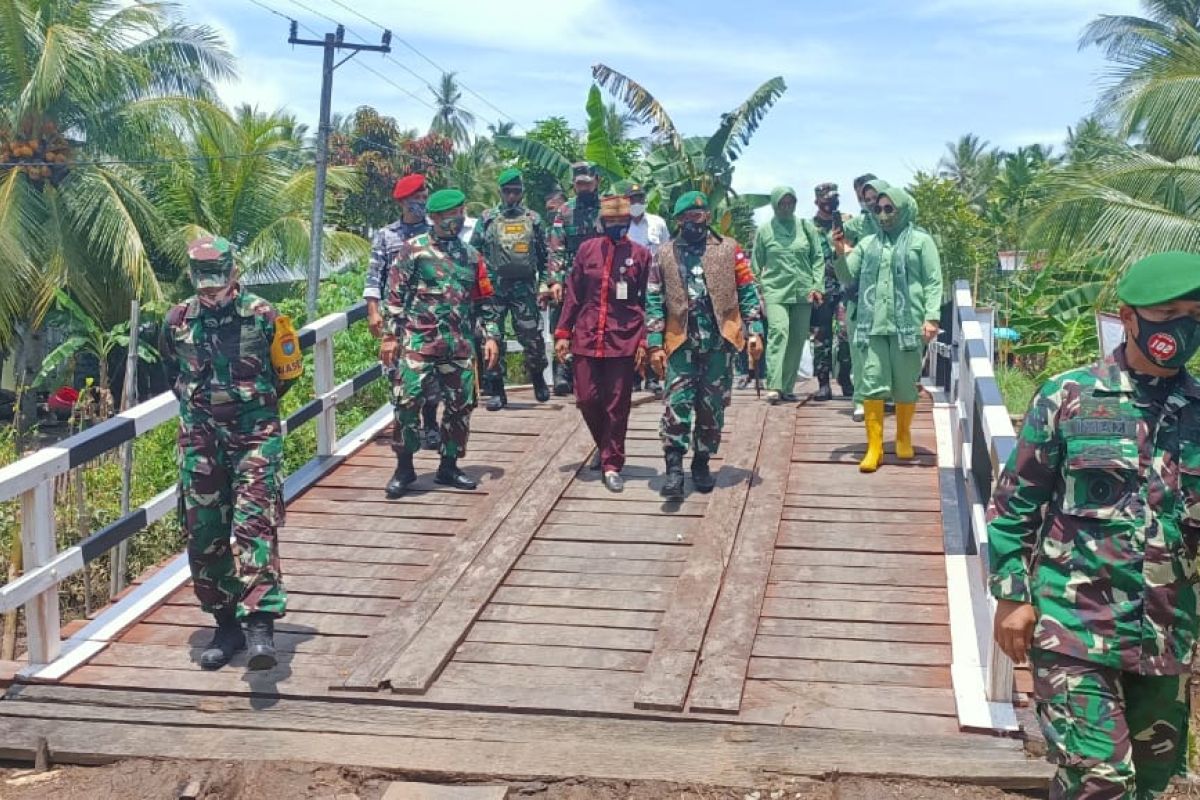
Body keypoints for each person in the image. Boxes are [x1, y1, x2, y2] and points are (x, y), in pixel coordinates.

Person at [987, 252, 1200, 800]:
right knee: (1100, 782)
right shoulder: (1069, 397)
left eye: (1194, 314)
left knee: (1150, 785)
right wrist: (1012, 595)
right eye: (1168, 311)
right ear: (1128, 318)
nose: (1182, 327)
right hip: (1075, 630)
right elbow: (1015, 504)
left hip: (1166, 637)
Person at [160, 235, 293, 672]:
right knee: (204, 533)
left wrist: (249, 407)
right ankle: (225, 624)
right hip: (200, 441)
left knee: (254, 524)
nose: (211, 289)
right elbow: (172, 374)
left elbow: (287, 374)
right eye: (203, 282)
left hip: (254, 435)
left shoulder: (264, 317)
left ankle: (260, 625)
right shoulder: (178, 320)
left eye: (217, 280)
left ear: (235, 273)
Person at [380, 188, 501, 498]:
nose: (457, 220)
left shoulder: (472, 256)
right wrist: (390, 336)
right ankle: (404, 468)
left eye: (460, 214)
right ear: (433, 218)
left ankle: (449, 465)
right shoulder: (413, 251)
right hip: (419, 341)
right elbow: (394, 296)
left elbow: (485, 301)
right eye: (450, 216)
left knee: (461, 406)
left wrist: (490, 336)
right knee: (407, 401)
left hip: (458, 344)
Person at [647, 191, 765, 501]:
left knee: (712, 408)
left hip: (718, 342)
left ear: (707, 218)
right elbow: (653, 299)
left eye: (699, 217)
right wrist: (654, 343)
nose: (693, 223)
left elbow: (748, 291)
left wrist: (755, 330)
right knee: (677, 405)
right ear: (678, 221)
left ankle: (701, 462)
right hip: (680, 342)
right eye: (687, 218)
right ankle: (673, 468)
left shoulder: (729, 250)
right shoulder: (664, 253)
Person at [834, 185, 942, 473]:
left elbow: (933, 281)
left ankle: (904, 436)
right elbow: (847, 275)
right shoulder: (868, 242)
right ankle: (874, 447)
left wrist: (932, 317)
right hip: (873, 325)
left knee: (906, 383)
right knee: (871, 382)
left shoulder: (922, 241)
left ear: (903, 208)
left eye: (888, 208)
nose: (882, 214)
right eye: (877, 209)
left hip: (908, 324)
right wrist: (840, 252)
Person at [554, 194, 652, 493]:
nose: (617, 226)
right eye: (612, 221)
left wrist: (646, 340)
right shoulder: (587, 250)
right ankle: (604, 444)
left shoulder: (641, 255)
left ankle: (612, 464)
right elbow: (573, 293)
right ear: (602, 222)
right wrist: (562, 333)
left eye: (623, 221)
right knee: (586, 397)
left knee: (617, 404)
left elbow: (649, 301)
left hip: (623, 338)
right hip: (587, 335)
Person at [364, 173, 441, 451]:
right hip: (397, 316)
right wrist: (373, 310)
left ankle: (431, 424)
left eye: (424, 198)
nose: (421, 203)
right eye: (416, 199)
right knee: (397, 373)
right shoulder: (387, 236)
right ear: (403, 203)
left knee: (430, 374)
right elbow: (374, 277)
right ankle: (407, 429)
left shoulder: (434, 232)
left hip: (429, 314)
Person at [471, 168, 552, 409]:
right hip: (493, 290)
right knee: (491, 337)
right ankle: (496, 389)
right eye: (508, 192)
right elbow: (473, 253)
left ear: (522, 193)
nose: (512, 196)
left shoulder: (533, 219)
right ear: (500, 192)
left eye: (516, 192)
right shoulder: (486, 219)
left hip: (524, 289)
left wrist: (544, 283)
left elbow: (545, 256)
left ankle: (537, 377)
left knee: (531, 336)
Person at [751, 186, 824, 404]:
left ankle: (787, 387)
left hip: (803, 292)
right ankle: (773, 386)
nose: (786, 207)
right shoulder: (765, 231)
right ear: (774, 205)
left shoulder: (805, 227)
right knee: (779, 332)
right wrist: (757, 295)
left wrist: (817, 286)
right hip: (775, 291)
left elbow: (817, 257)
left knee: (797, 339)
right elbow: (755, 265)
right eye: (781, 203)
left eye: (790, 202)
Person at [547, 162, 605, 396]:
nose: (583, 188)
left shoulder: (607, 209)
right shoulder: (565, 211)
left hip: (601, 276)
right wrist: (555, 280)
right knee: (561, 320)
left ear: (597, 182)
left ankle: (596, 374)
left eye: (587, 183)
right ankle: (562, 372)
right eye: (579, 184)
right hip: (571, 276)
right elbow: (556, 247)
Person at [621, 180, 669, 397]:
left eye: (639, 198)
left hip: (655, 283)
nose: (636, 203)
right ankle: (631, 379)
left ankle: (652, 377)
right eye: (632, 200)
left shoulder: (658, 223)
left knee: (653, 327)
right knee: (628, 328)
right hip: (628, 284)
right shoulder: (622, 225)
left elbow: (667, 251)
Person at [842, 174, 883, 421]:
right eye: (863, 198)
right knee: (859, 349)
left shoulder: (897, 221)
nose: (868, 203)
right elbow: (834, 238)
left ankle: (880, 397)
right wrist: (849, 250)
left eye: (872, 198)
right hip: (860, 294)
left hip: (889, 296)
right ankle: (860, 400)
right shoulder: (859, 224)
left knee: (883, 351)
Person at [810, 182, 854, 401]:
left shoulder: (848, 221)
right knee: (822, 335)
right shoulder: (810, 227)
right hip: (823, 286)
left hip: (846, 284)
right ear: (817, 201)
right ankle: (823, 383)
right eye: (826, 199)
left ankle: (845, 379)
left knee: (846, 332)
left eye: (834, 199)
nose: (831, 203)